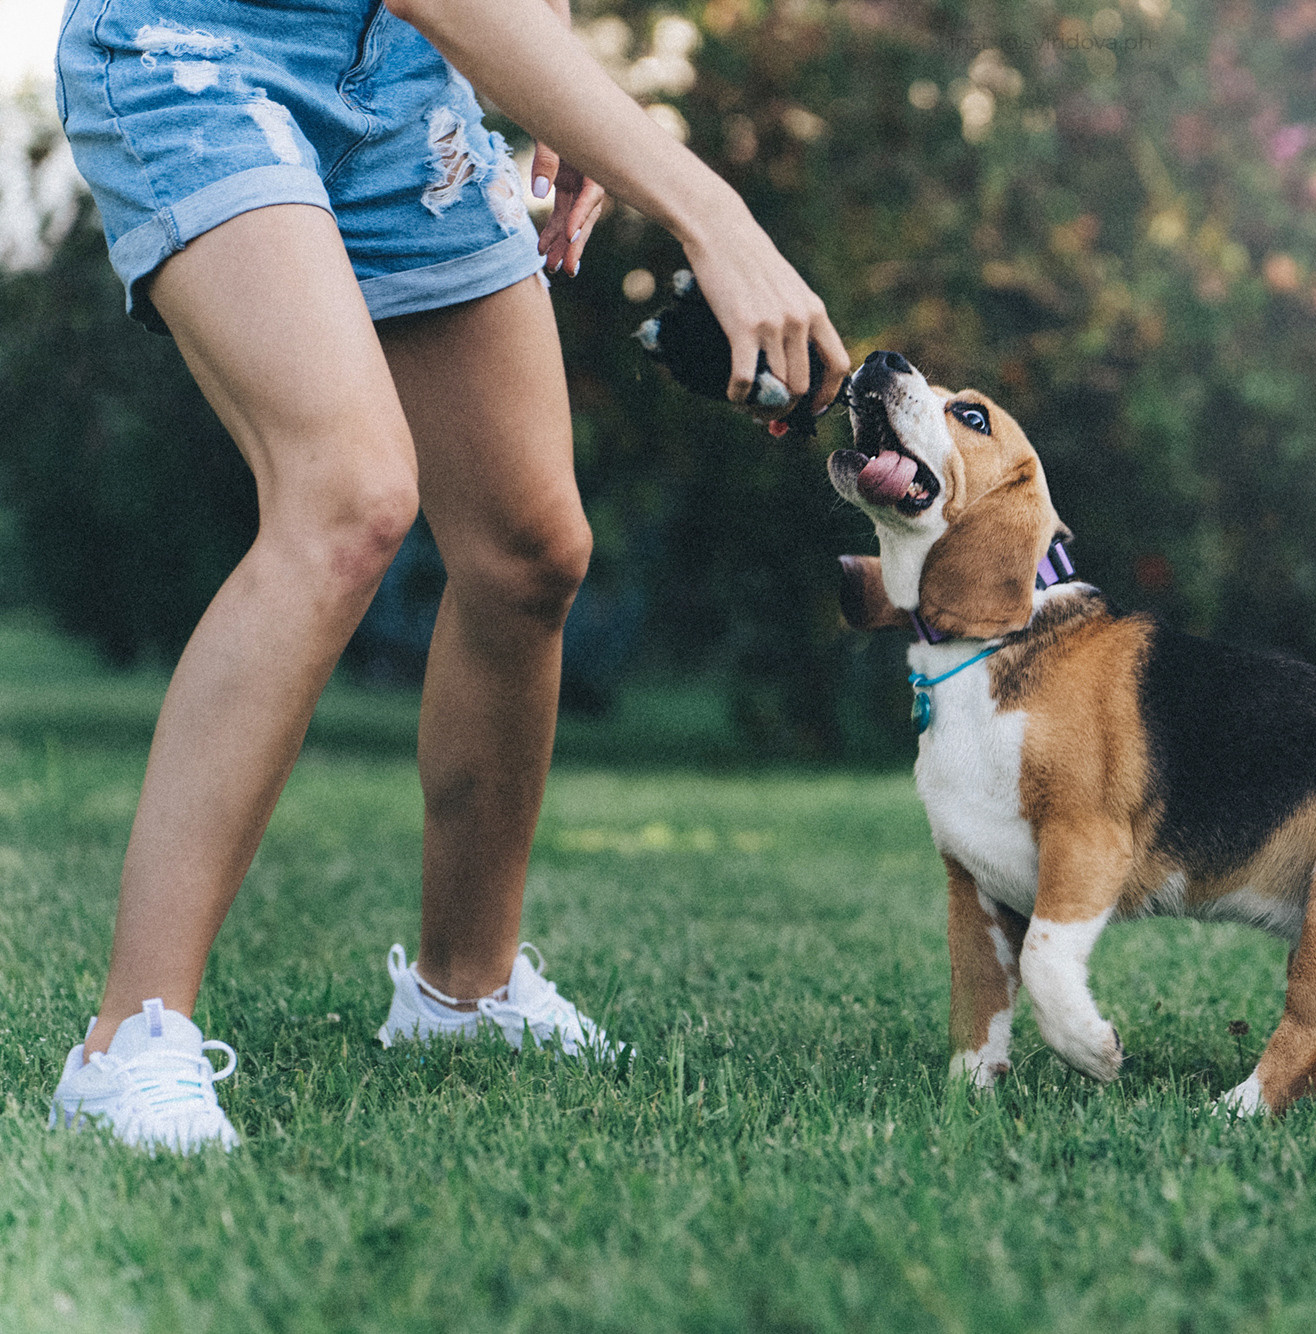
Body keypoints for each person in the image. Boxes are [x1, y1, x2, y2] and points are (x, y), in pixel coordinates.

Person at [45, 0, 849, 1154]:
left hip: (403, 77)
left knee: (531, 551)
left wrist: (555, 65)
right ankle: (128, 1039)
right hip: (197, 50)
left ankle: (460, 995)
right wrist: (713, 217)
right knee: (348, 494)